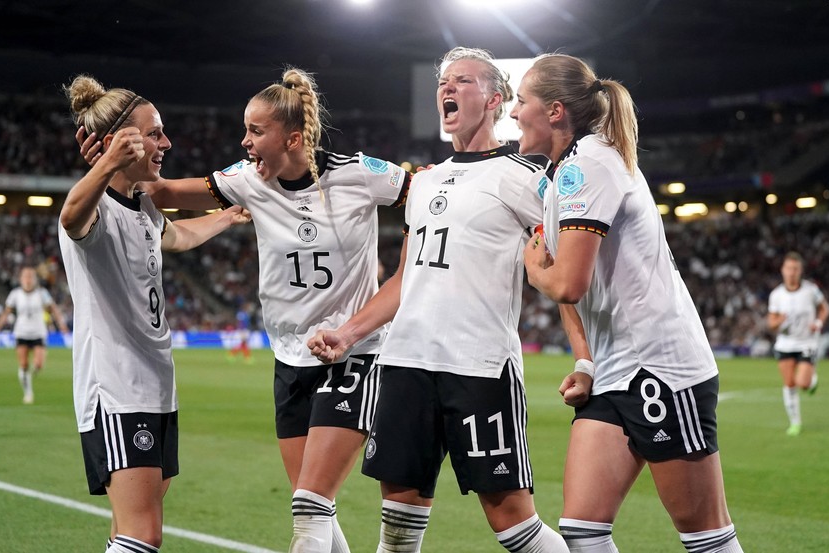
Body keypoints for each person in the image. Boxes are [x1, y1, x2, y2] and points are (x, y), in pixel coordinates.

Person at [79, 67, 409, 553]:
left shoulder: (358, 174)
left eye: (255, 131)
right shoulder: (247, 181)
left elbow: (427, 196)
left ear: (293, 137)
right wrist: (107, 164)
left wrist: (408, 260)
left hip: (353, 353)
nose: (244, 141)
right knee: (315, 505)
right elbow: (163, 192)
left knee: (309, 508)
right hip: (290, 357)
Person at [309, 47, 568, 553]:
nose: (448, 88)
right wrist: (348, 333)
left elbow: (568, 267)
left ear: (495, 99)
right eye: (444, 81)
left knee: (516, 528)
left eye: (464, 81)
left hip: (478, 367)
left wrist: (585, 355)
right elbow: (407, 277)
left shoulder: (525, 177)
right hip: (405, 363)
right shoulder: (423, 181)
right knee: (397, 529)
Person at [513, 53, 744, 552]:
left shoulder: (589, 166)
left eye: (520, 100)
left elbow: (567, 283)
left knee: (707, 539)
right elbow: (578, 288)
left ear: (555, 111)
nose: (512, 113)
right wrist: (586, 360)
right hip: (616, 371)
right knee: (583, 530)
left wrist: (535, 271)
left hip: (658, 367)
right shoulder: (561, 174)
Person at [60, 74, 250, 553]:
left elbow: (179, 237)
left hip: (154, 384)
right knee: (143, 534)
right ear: (118, 143)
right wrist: (104, 165)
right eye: (154, 132)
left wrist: (227, 216)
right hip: (117, 386)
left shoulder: (141, 206)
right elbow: (69, 217)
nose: (165, 142)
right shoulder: (96, 207)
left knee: (131, 528)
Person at [767, 251, 828, 436]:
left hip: (806, 343)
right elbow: (771, 323)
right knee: (789, 383)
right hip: (785, 344)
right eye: (788, 268)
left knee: (802, 382)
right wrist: (780, 321)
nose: (792, 272)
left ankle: (811, 381)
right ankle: (795, 423)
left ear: (800, 270)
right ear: (782, 270)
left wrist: (818, 322)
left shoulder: (810, 290)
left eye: (795, 269)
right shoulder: (776, 295)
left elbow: (825, 308)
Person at [0, 265, 70, 404]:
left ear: (35, 279)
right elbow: (7, 312)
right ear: (21, 279)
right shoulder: (15, 294)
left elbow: (53, 309)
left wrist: (61, 324)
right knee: (23, 364)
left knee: (38, 364)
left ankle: (30, 377)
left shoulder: (42, 293)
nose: (28, 280)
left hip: (38, 332)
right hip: (21, 332)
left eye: (30, 277)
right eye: (25, 276)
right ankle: (28, 393)